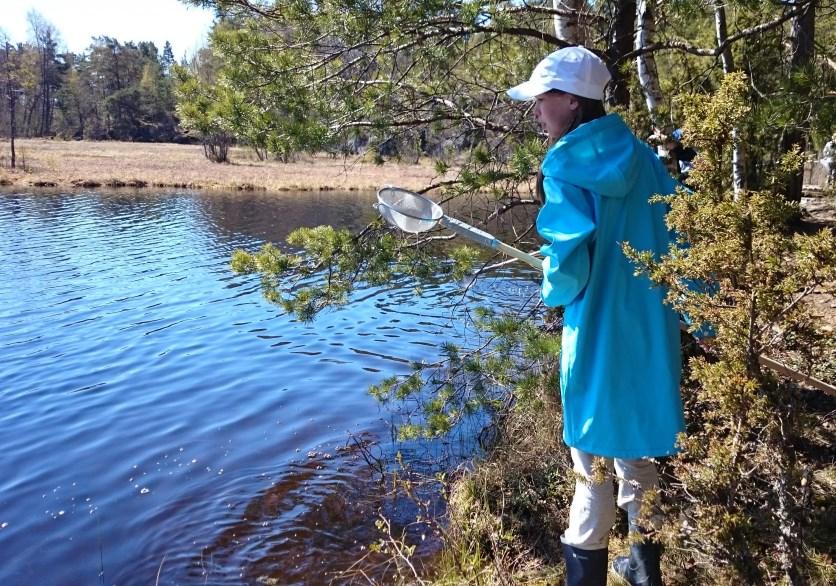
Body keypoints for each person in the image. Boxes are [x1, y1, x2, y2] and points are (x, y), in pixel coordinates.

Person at [507, 46, 684, 586]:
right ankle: (644, 569)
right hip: (651, 335)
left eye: (543, 99)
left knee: (591, 469)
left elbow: (569, 269)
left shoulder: (564, 165)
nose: (536, 110)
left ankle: (587, 576)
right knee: (636, 452)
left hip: (599, 337)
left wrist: (551, 279)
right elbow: (683, 240)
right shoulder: (648, 161)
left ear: (573, 101)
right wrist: (705, 321)